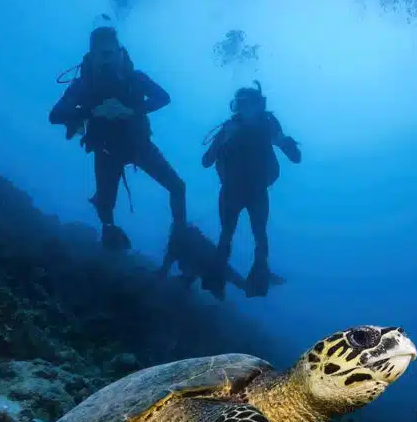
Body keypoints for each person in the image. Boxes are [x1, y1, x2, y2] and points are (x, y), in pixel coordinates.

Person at [49, 26, 186, 251]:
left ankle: (179, 237)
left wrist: (130, 110)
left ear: (121, 53)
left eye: (111, 54)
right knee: (106, 206)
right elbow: (55, 115)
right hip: (106, 151)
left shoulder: (135, 78)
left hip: (139, 145)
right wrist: (92, 112)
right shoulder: (83, 85)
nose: (108, 61)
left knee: (178, 187)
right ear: (92, 56)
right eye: (101, 55)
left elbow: (164, 98)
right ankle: (110, 233)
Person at [200, 81, 301, 299]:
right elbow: (206, 161)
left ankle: (258, 278)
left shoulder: (268, 126)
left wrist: (284, 141)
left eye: (250, 105)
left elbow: (295, 158)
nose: (245, 110)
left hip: (255, 189)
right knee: (228, 235)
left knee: (258, 236)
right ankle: (216, 281)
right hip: (233, 189)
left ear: (260, 106)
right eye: (240, 105)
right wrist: (223, 139)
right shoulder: (230, 127)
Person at [159, 221, 287, 295]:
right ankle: (265, 278)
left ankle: (265, 277)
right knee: (244, 286)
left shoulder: (180, 243)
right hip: (213, 264)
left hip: (214, 265)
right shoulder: (184, 241)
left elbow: (168, 267)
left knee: (244, 286)